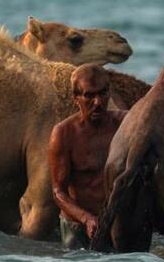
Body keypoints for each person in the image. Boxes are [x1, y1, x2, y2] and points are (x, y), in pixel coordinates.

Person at [48, 63, 125, 249]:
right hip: (77, 225)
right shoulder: (64, 134)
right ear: (76, 98)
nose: (98, 102)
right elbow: (58, 192)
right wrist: (86, 219)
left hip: (116, 222)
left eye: (102, 93)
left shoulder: (124, 124)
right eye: (89, 96)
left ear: (109, 93)